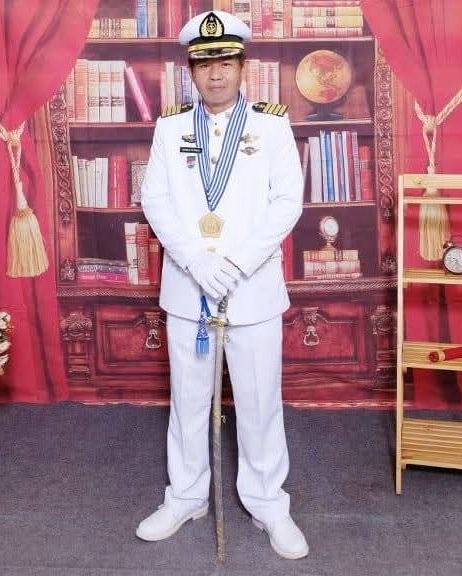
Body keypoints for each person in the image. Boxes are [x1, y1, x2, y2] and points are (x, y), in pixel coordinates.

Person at [137, 10, 308, 560]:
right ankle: (185, 497)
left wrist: (234, 263)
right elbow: (155, 199)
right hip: (188, 288)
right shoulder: (170, 128)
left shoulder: (271, 125)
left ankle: (268, 503)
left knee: (259, 401)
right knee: (188, 401)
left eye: (226, 62)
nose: (216, 74)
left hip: (251, 288)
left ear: (242, 67)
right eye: (205, 64)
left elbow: (288, 202)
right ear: (190, 70)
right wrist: (195, 261)